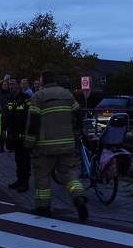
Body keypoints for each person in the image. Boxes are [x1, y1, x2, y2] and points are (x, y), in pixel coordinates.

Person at [24, 70, 88, 220]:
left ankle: (43, 207)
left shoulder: (38, 96)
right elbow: (78, 117)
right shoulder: (67, 94)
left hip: (45, 147)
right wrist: (76, 135)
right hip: (67, 144)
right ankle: (78, 196)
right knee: (69, 175)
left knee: (43, 177)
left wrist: (28, 144)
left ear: (42, 80)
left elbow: (33, 123)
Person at [6, 75, 32, 193]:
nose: (10, 86)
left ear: (18, 85)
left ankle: (24, 182)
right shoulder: (10, 98)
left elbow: (32, 114)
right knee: (17, 159)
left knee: (24, 159)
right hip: (14, 133)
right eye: (9, 84)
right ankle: (19, 180)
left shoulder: (25, 98)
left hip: (23, 133)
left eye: (13, 84)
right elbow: (7, 114)